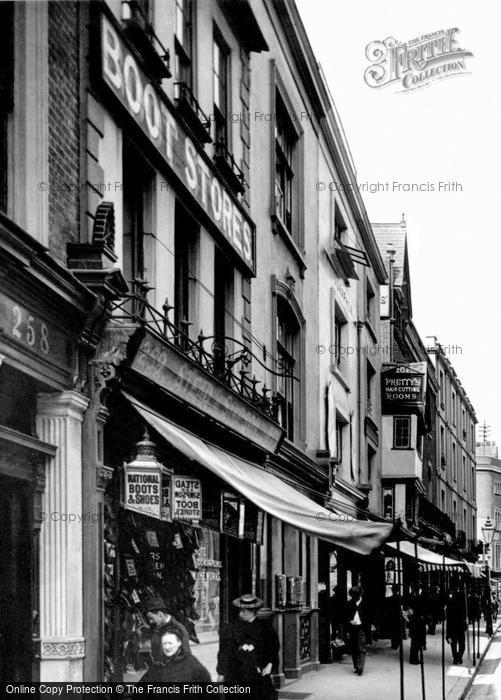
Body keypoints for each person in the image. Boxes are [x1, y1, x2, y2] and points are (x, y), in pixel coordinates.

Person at [217, 593, 279, 699]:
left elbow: (273, 647)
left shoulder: (265, 627)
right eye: (240, 611)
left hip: (257, 674)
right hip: (236, 674)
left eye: (244, 611)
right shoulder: (232, 628)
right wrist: (222, 672)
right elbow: (225, 651)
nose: (240, 614)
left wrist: (270, 664)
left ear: (253, 612)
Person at [140, 629, 211, 682]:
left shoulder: (192, 664)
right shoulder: (158, 664)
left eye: (170, 643)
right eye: (164, 643)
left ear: (179, 643)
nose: (167, 647)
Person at [144, 594, 191, 664]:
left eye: (151, 618)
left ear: (160, 614)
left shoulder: (179, 629)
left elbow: (186, 657)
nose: (150, 622)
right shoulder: (155, 627)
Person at [345, 585, 371, 676]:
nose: (354, 598)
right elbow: (345, 616)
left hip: (362, 628)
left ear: (360, 595)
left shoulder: (366, 604)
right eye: (352, 596)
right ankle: (356, 665)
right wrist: (349, 621)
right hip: (352, 628)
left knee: (361, 647)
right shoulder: (349, 603)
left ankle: (360, 667)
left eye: (355, 596)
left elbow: (369, 617)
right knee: (353, 648)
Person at [446, 586, 467, 665]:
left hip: (453, 627)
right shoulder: (462, 605)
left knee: (454, 644)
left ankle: (456, 657)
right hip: (458, 627)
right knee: (461, 644)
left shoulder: (451, 604)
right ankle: (458, 657)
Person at [406, 588, 427, 665]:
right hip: (418, 623)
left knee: (415, 643)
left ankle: (414, 658)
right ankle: (414, 659)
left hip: (415, 623)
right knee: (416, 643)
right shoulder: (419, 599)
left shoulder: (413, 598)